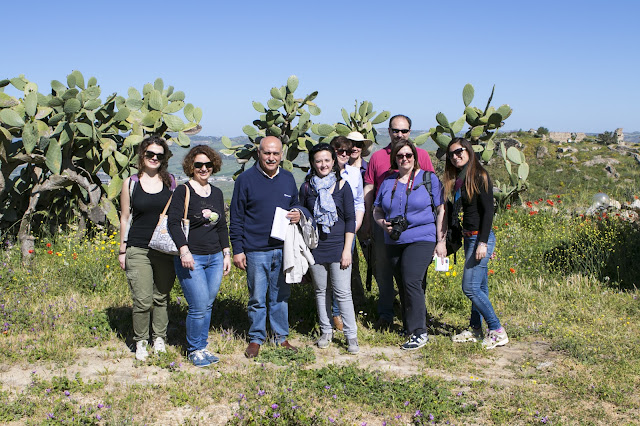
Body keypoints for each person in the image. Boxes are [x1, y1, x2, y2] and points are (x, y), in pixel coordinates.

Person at [230, 136, 308, 358]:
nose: (271, 157)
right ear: (259, 154)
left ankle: (280, 337)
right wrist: (238, 249)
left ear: (281, 155)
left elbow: (295, 203)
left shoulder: (288, 178)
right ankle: (256, 338)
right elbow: (236, 218)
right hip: (255, 250)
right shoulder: (245, 180)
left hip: (283, 249)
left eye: (275, 153)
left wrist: (296, 212)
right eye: (267, 153)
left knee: (281, 296)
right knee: (257, 297)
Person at [363, 115, 435, 329]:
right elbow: (370, 190)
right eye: (396, 130)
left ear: (410, 132)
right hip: (383, 226)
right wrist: (370, 222)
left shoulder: (421, 155)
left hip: (417, 229)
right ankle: (386, 315)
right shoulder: (377, 158)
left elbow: (433, 190)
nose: (399, 134)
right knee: (383, 272)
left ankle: (415, 316)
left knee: (415, 275)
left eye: (404, 131)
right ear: (389, 131)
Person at [373, 140, 445, 350]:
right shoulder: (388, 182)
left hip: (423, 236)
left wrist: (441, 241)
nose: (404, 159)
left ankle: (419, 331)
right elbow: (377, 210)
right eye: (400, 156)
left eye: (408, 155)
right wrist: (382, 224)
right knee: (405, 283)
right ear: (394, 159)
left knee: (411, 280)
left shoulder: (428, 179)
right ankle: (409, 324)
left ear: (415, 157)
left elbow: (441, 210)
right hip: (394, 239)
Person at [168, 145, 231, 367]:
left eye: (208, 164)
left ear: (213, 166)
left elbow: (222, 226)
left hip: (214, 257)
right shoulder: (183, 191)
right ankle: (194, 349)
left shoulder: (217, 192)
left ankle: (202, 347)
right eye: (198, 165)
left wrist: (226, 253)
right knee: (198, 304)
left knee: (207, 304)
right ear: (191, 167)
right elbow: (173, 223)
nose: (203, 169)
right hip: (191, 257)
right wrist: (183, 250)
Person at [442, 138, 508, 349]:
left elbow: (489, 212)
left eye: (459, 151)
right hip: (469, 236)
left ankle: (496, 329)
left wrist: (483, 243)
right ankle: (475, 329)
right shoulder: (460, 178)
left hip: (480, 238)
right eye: (451, 153)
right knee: (480, 286)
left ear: (469, 151)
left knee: (470, 287)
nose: (455, 156)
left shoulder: (480, 176)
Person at [118, 135, 176, 361]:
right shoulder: (130, 183)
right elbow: (125, 217)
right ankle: (141, 340)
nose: (154, 158)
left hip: (163, 247)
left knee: (161, 296)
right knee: (142, 299)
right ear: (142, 155)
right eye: (150, 154)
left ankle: (159, 337)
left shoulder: (171, 182)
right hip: (137, 247)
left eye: (159, 156)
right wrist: (122, 250)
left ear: (164, 159)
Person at [300, 143, 359, 354]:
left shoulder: (343, 187)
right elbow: (304, 218)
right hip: (316, 247)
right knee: (320, 291)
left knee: (343, 292)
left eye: (327, 160)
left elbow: (350, 220)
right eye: (318, 161)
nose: (323, 164)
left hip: (338, 247)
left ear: (333, 162)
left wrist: (347, 250)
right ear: (313, 164)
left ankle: (351, 335)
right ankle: (326, 331)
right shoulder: (307, 188)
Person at [328, 136, 365, 326]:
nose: (344, 154)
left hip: (348, 231)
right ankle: (327, 314)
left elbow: (359, 202)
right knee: (325, 274)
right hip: (325, 231)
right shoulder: (321, 171)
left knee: (343, 272)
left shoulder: (354, 173)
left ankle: (337, 313)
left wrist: (353, 227)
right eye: (339, 150)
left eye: (348, 151)